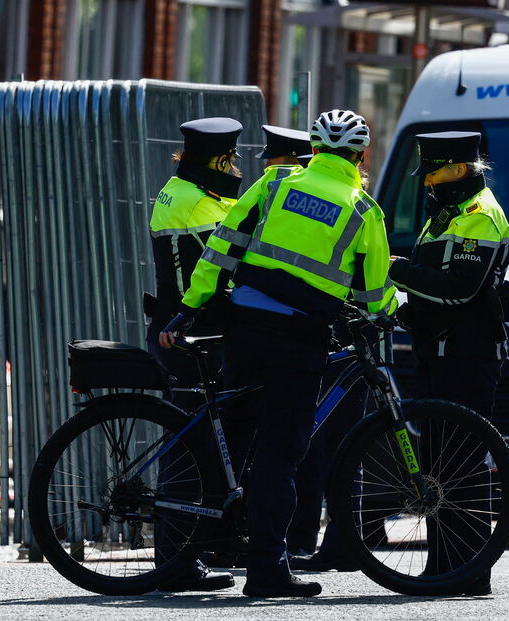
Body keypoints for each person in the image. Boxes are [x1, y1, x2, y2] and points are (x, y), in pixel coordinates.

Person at [160, 109, 397, 597]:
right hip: (298, 341)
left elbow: (221, 248)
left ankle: (194, 547)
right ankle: (267, 567)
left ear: (314, 148)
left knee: (236, 435)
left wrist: (190, 308)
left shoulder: (273, 185)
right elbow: (376, 295)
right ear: (359, 156)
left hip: (244, 330)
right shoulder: (362, 209)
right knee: (281, 453)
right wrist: (392, 311)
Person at [387, 131, 509, 596]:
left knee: (463, 463)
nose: (426, 184)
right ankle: (442, 565)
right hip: (436, 352)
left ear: (460, 169)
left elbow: (456, 289)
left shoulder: (481, 218)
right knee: (437, 465)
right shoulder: (445, 215)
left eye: (433, 173)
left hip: (468, 355)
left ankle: (471, 570)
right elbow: (429, 293)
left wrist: (393, 267)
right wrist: (399, 314)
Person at [146, 117, 244, 593]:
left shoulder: (179, 189)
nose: (237, 166)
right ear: (219, 159)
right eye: (232, 158)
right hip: (188, 335)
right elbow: (216, 275)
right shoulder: (198, 203)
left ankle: (192, 552)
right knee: (188, 447)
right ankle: (177, 562)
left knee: (191, 441)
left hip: (176, 328)